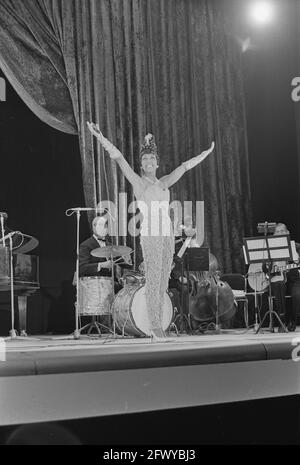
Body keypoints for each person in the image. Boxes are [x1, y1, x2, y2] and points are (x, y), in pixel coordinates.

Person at [87, 123, 214, 340]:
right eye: (145, 159)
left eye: (152, 159)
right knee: (154, 279)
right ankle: (154, 325)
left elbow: (184, 167)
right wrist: (101, 137)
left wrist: (205, 154)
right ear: (142, 164)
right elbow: (119, 159)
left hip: (166, 235)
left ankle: (157, 321)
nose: (148, 162)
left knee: (164, 280)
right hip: (151, 234)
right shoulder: (138, 182)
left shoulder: (164, 182)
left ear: (157, 163)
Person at [270, 223, 300, 332]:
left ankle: (293, 321)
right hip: (278, 278)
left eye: (282, 231)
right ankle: (281, 321)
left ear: (287, 233)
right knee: (279, 286)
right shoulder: (270, 249)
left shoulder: (296, 246)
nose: (280, 233)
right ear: (274, 235)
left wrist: (297, 258)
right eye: (277, 232)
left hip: (294, 280)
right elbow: (264, 266)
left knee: (298, 294)